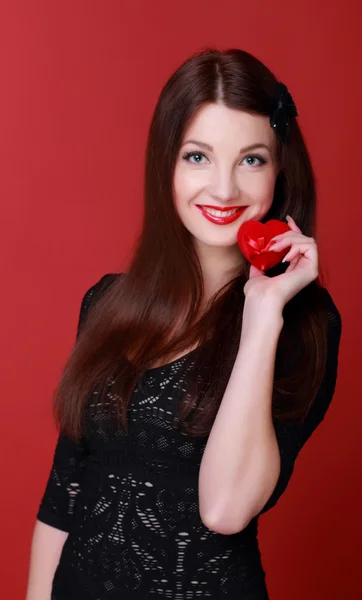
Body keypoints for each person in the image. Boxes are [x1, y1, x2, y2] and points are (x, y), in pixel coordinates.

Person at [26, 47, 342, 600]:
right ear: (165, 163)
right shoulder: (107, 301)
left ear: (280, 169)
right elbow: (64, 497)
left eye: (251, 159)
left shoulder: (302, 327)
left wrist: (263, 310)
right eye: (198, 157)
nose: (223, 190)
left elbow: (225, 509)